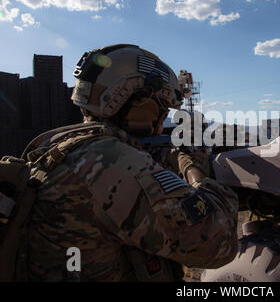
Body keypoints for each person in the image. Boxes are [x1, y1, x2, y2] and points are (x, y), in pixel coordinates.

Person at [23, 44, 238, 281]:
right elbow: (217, 244)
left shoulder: (60, 146)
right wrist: (196, 169)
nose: (161, 120)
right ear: (138, 101)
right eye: (161, 109)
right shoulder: (109, 160)